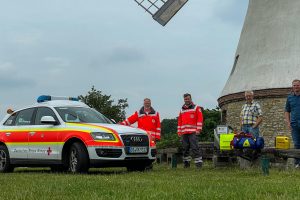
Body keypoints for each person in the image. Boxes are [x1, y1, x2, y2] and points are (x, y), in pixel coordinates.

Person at [177, 93, 203, 168]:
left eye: (188, 99)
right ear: (184, 100)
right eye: (185, 99)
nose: (187, 100)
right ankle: (186, 164)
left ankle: (198, 164)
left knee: (195, 147)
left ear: (191, 99)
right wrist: (179, 131)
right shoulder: (182, 109)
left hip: (193, 132)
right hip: (184, 132)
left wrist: (198, 129)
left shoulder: (196, 108)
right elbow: (179, 121)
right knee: (185, 148)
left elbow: (200, 119)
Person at [285, 79, 300, 167]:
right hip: (294, 124)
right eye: (294, 85)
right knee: (297, 143)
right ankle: (297, 164)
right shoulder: (289, 97)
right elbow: (287, 111)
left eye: (297, 85)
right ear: (292, 87)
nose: (296, 87)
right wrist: (288, 122)